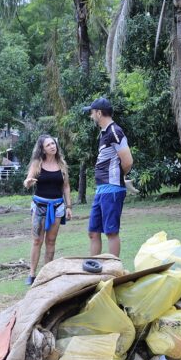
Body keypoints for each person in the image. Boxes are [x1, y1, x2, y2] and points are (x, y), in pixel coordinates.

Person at [83, 97, 132, 257]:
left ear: (99, 113)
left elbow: (128, 161)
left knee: (111, 232)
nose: (91, 116)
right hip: (101, 189)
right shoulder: (104, 133)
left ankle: (114, 270)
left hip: (111, 190)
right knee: (93, 232)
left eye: (91, 113)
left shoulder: (114, 132)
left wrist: (119, 178)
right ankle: (94, 268)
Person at [23, 135, 73, 285]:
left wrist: (69, 206)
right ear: (43, 149)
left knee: (51, 241)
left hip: (57, 207)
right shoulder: (37, 163)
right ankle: (32, 274)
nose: (53, 146)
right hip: (40, 207)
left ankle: (46, 274)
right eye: (48, 145)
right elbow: (27, 182)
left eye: (53, 143)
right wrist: (28, 182)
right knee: (37, 240)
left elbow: (66, 186)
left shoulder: (61, 164)